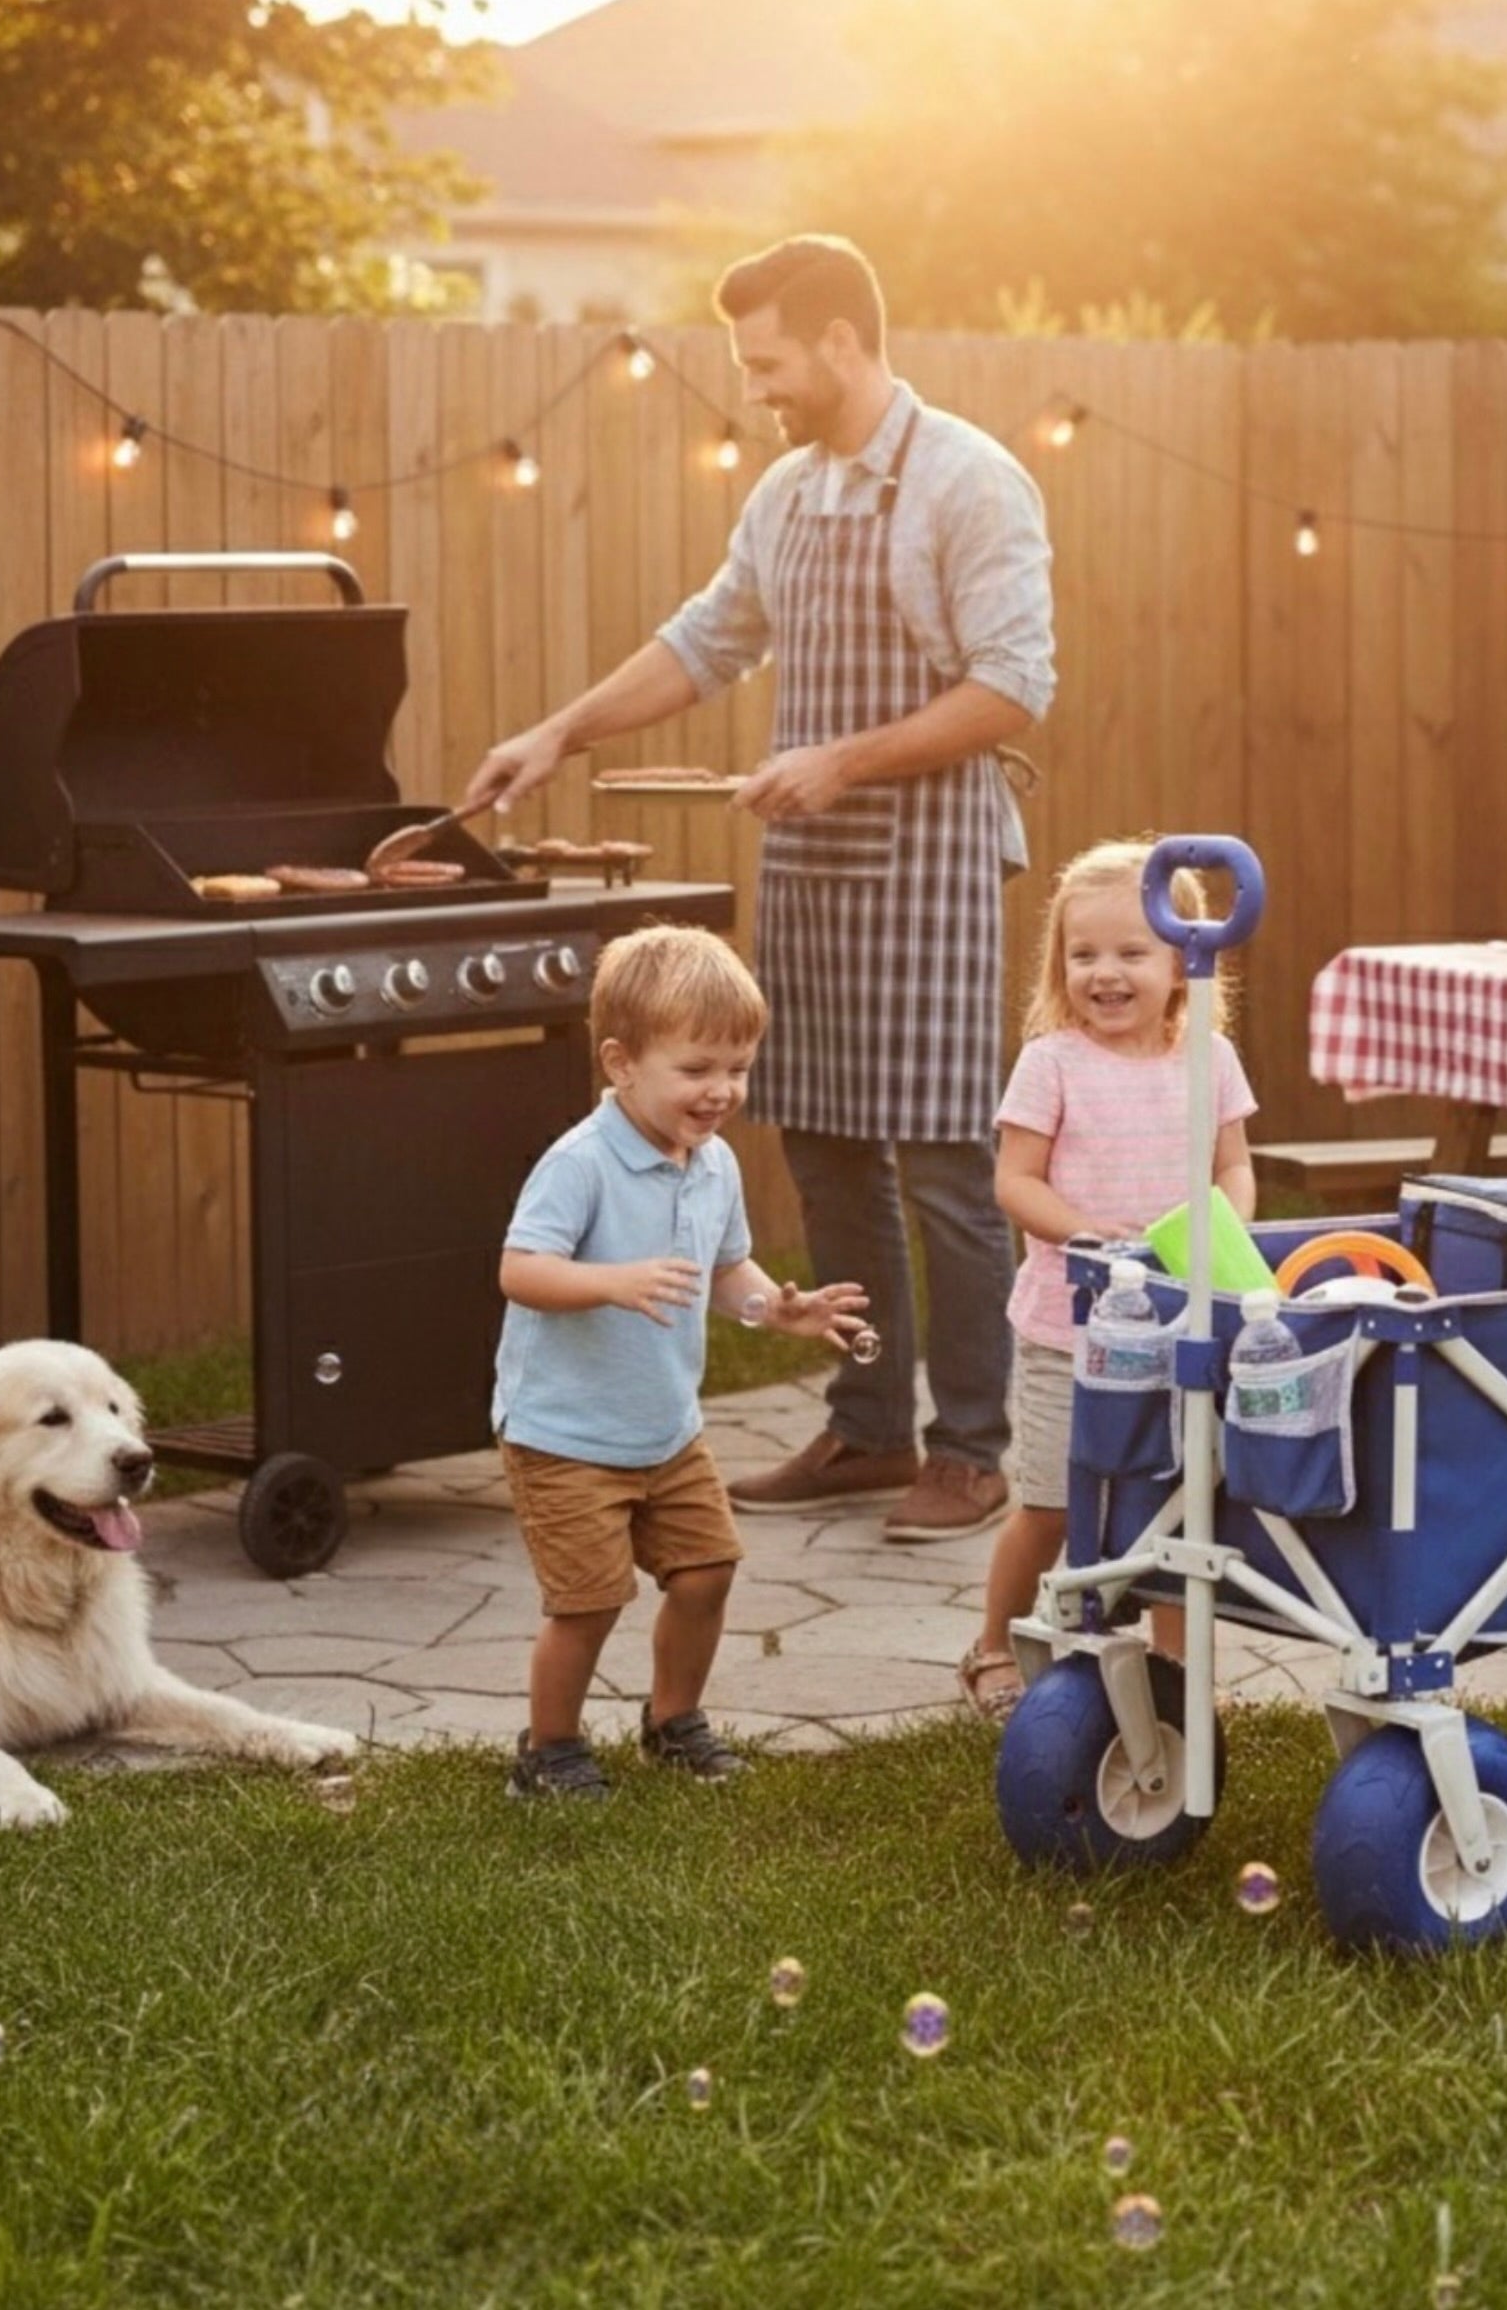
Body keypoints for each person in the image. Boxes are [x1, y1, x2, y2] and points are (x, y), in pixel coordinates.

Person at [463, 235, 1054, 1546]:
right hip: (814, 867)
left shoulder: (971, 480)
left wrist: (844, 757)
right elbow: (707, 640)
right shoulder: (786, 495)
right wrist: (561, 734)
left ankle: (969, 1446)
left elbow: (1014, 684)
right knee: (831, 1153)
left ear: (843, 342)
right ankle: (866, 1426)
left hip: (934, 859)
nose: (761, 388)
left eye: (772, 362)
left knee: (951, 1167)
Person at [495, 922, 868, 1800]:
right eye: (696, 1070)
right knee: (586, 1602)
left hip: (666, 1429)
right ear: (622, 1063)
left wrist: (776, 1308)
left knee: (707, 1572)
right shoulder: (579, 1164)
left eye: (736, 1068)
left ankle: (672, 1723)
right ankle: (547, 1752)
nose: (721, 1091)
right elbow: (520, 1271)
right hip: (567, 1435)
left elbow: (727, 1269)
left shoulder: (713, 1163)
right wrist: (610, 1281)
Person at [958, 841, 1258, 1721]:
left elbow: (1233, 1167)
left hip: (1176, 1330)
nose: (1106, 973)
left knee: (1175, 1508)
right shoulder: (1052, 1062)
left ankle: (1176, 1675)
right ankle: (991, 1645)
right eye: (1084, 954)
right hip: (1069, 1329)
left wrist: (1216, 1226)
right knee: (1051, 1503)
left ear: (1182, 963)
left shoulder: (1208, 1058)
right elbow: (1015, 1182)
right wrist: (1086, 1233)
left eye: (1132, 952)